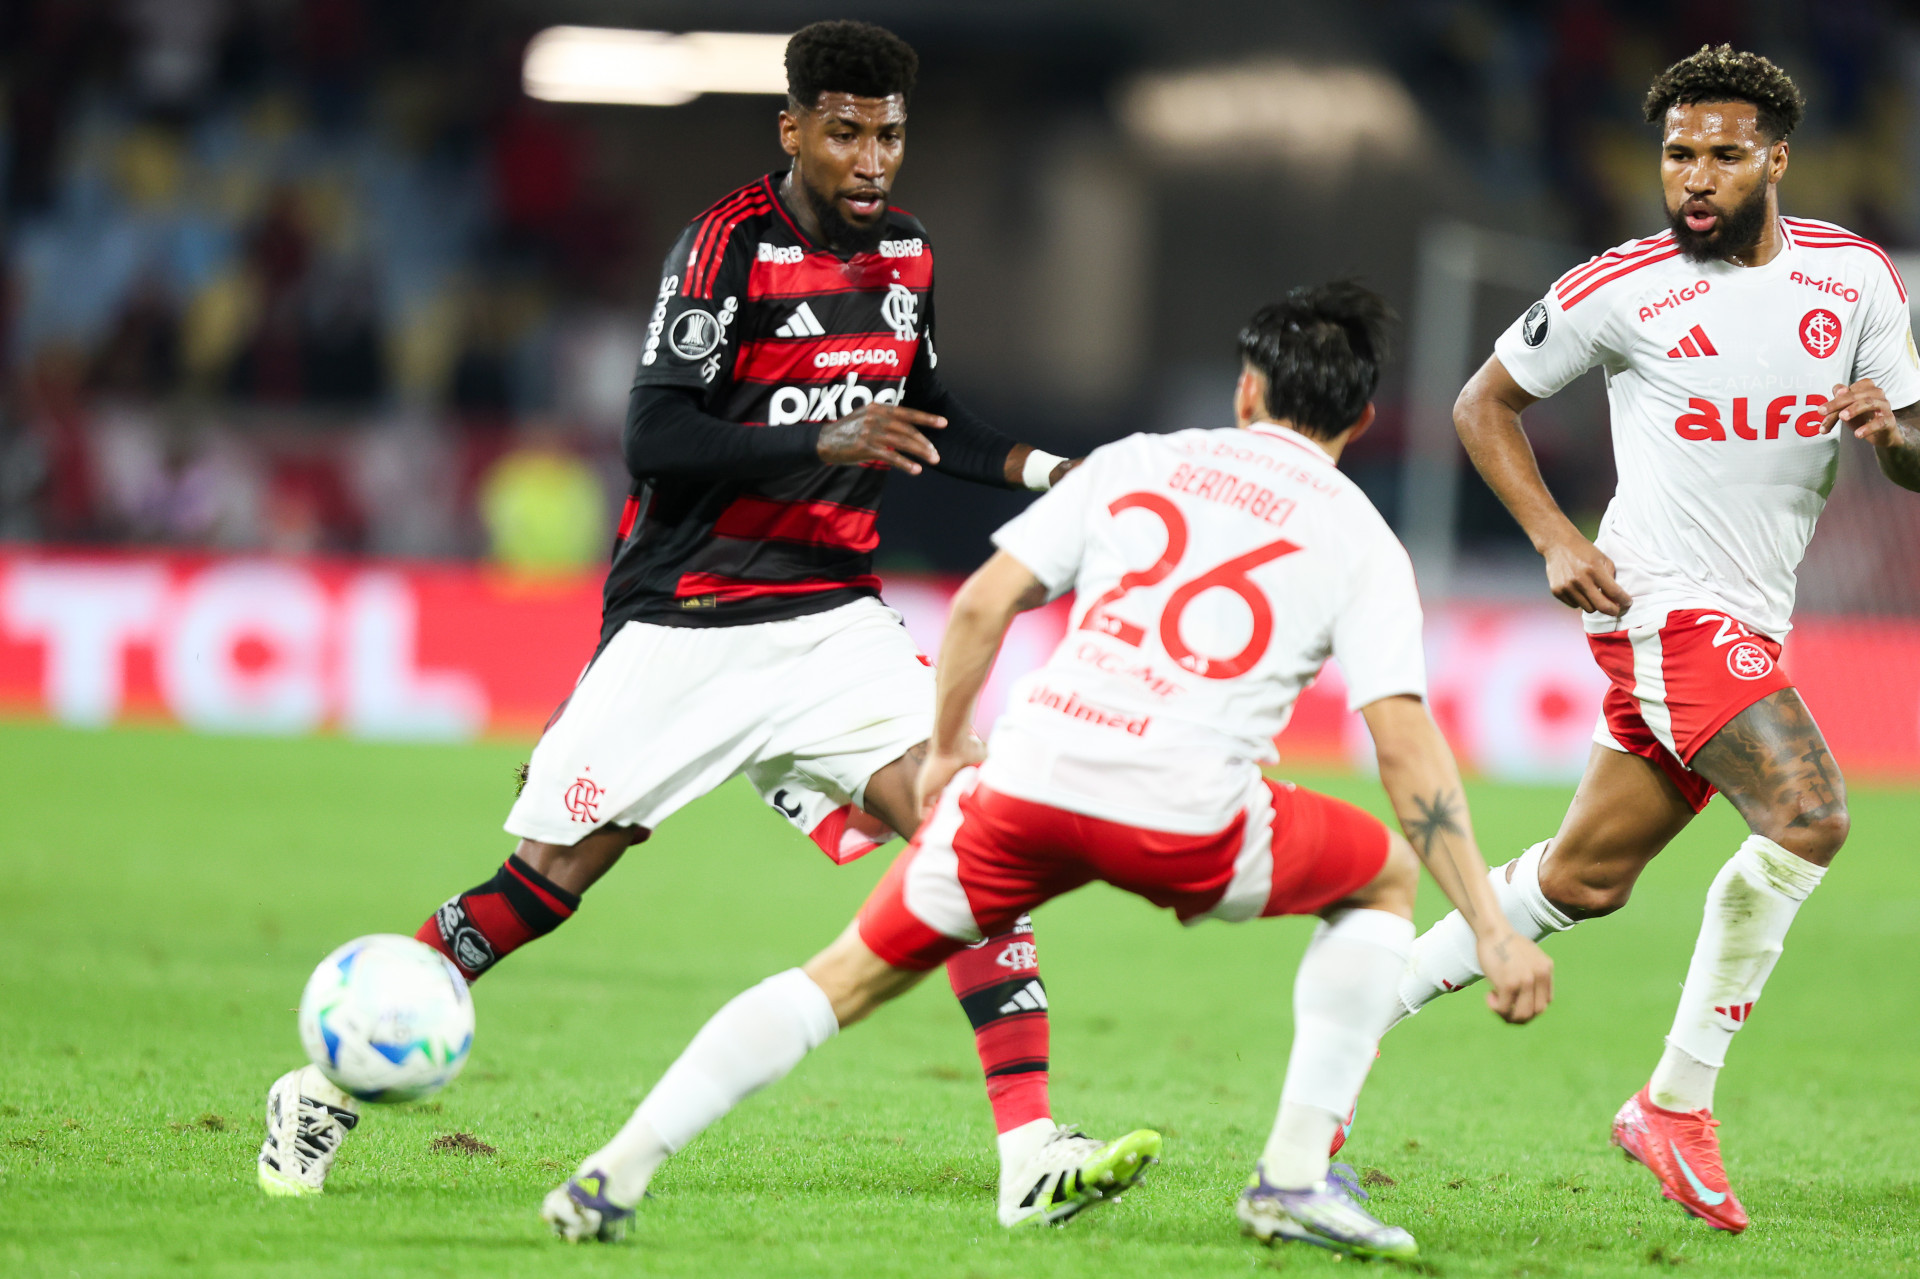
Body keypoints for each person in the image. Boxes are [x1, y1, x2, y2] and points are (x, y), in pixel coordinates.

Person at [258, 20, 1103, 1223]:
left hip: (831, 622)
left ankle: (1030, 1155)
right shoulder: (724, 249)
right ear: (795, 129)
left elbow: (929, 412)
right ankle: (323, 1086)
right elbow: (654, 435)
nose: (873, 159)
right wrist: (821, 436)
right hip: (688, 620)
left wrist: (1043, 470)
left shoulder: (908, 256)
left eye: (892, 135)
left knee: (969, 836)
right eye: (848, 131)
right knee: (551, 876)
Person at [539, 284, 1555, 1256]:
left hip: (1029, 778)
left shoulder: (1138, 463)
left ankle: (614, 1169)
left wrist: (944, 753)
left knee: (839, 978)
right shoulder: (1362, 539)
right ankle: (1291, 1176)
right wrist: (1494, 930)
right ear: (1363, 417)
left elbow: (981, 606)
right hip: (1186, 809)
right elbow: (1403, 742)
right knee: (1379, 873)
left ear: (1247, 391)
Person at [1384, 45, 1920, 1233]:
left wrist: (1893, 436)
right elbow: (1484, 405)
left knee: (1585, 878)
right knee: (1812, 814)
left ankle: (1356, 1006)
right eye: (1680, 153)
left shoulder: (1857, 280)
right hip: (1663, 606)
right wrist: (1552, 539)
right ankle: (1675, 1101)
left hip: (1752, 615)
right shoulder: (1617, 288)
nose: (1695, 175)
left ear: (1777, 159)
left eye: (1725, 154)